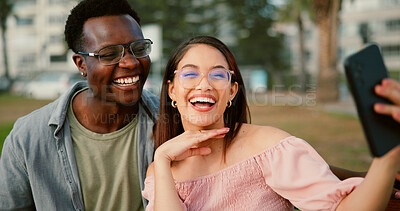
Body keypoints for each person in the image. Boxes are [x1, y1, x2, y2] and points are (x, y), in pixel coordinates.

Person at [142, 35, 400, 210]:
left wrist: (388, 156)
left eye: (218, 74)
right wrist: (163, 158)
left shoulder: (268, 147)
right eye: (190, 73)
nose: (204, 84)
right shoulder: (160, 170)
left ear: (232, 92)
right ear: (172, 90)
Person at [0, 0, 158, 210]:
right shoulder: (27, 139)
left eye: (138, 48)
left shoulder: (173, 119)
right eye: (110, 54)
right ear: (80, 64)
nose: (130, 63)